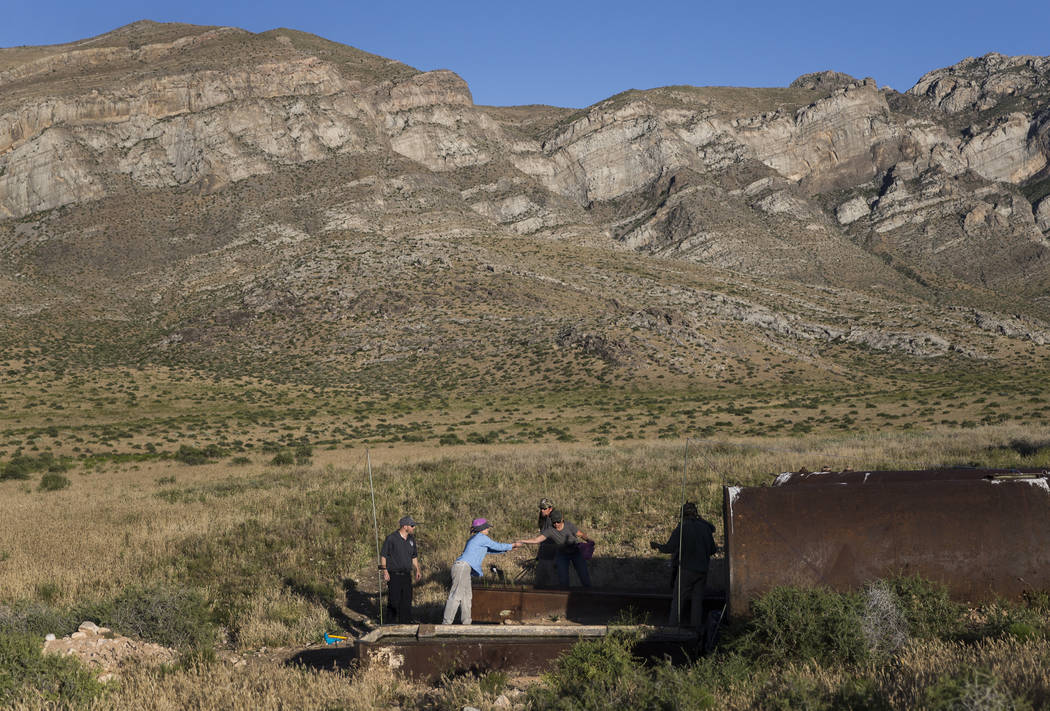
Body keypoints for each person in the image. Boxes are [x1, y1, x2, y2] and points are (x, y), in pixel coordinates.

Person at [650, 502, 717, 627]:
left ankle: (673, 627)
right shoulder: (705, 528)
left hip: (686, 570)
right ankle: (695, 629)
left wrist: (657, 545)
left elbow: (669, 548)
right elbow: (713, 550)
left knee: (678, 600)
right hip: (703, 570)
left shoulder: (682, 528)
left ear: (682, 514)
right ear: (696, 513)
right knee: (697, 602)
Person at [443, 518, 521, 625]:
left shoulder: (475, 538)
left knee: (467, 597)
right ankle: (446, 623)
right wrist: (512, 545)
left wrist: (509, 549)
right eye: (487, 527)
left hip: (464, 568)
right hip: (462, 567)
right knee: (456, 595)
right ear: (482, 528)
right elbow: (496, 546)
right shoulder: (482, 538)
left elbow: (491, 549)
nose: (488, 528)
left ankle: (466, 623)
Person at [517, 510, 594, 588]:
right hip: (563, 554)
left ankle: (589, 593)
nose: (556, 524)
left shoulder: (569, 525)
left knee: (584, 576)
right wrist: (523, 541)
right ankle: (565, 595)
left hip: (575, 552)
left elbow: (581, 534)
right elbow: (536, 540)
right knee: (563, 580)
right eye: (554, 522)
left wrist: (589, 540)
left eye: (558, 521)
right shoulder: (550, 530)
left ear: (562, 519)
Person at [379, 515, 422, 623]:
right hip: (394, 574)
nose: (414, 528)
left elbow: (414, 556)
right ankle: (390, 624)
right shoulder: (391, 538)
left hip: (407, 575)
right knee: (393, 601)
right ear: (404, 526)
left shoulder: (411, 540)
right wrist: (384, 571)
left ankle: (406, 624)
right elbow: (383, 555)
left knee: (406, 602)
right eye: (412, 526)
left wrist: (417, 569)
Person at [535, 498, 557, 587]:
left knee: (553, 584)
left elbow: (558, 539)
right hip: (543, 556)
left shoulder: (554, 520)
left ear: (550, 508)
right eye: (541, 508)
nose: (542, 510)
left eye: (544, 508)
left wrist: (557, 557)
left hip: (551, 557)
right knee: (539, 583)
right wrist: (539, 555)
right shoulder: (544, 520)